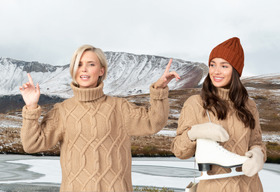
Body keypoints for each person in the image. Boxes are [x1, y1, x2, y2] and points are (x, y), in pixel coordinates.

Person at [20, 44, 180, 192]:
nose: (84, 70)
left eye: (91, 64)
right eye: (79, 64)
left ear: (101, 71)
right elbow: (31, 145)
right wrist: (31, 107)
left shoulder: (119, 107)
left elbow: (154, 122)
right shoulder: (62, 111)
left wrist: (159, 89)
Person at [171, 37, 266, 192]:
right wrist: (193, 133)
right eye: (212, 64)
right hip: (212, 187)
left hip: (249, 187)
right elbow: (179, 151)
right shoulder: (195, 103)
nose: (216, 71)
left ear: (235, 70)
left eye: (224, 66)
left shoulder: (249, 105)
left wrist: (258, 154)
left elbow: (257, 142)